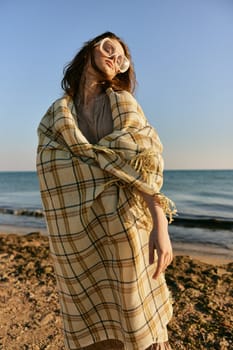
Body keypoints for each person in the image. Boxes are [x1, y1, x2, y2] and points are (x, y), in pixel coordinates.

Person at [37, 31, 176, 350]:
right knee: (87, 312)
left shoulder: (121, 102)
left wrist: (160, 223)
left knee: (133, 314)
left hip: (123, 226)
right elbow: (53, 167)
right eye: (111, 49)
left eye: (124, 59)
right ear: (90, 51)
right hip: (75, 232)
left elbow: (143, 164)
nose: (117, 59)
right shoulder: (58, 114)